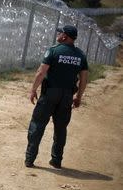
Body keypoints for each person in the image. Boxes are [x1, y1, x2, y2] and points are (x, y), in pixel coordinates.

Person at [25, 25, 88, 169]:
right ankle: (56, 160)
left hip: (50, 94)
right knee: (60, 129)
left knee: (38, 125)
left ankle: (30, 159)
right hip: (67, 96)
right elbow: (84, 79)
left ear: (65, 36)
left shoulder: (53, 51)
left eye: (60, 33)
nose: (58, 35)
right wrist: (78, 96)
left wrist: (33, 90)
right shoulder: (80, 55)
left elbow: (41, 72)